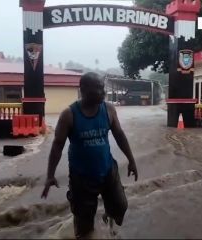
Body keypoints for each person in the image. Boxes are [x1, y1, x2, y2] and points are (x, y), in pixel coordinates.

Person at [41, 72, 138, 239]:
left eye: (103, 88)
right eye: (99, 88)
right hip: (82, 178)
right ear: (84, 89)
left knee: (120, 207)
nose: (104, 92)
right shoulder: (69, 115)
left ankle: (108, 219)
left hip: (108, 171)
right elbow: (57, 146)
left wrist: (131, 160)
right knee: (84, 226)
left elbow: (119, 135)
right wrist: (50, 175)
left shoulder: (108, 109)